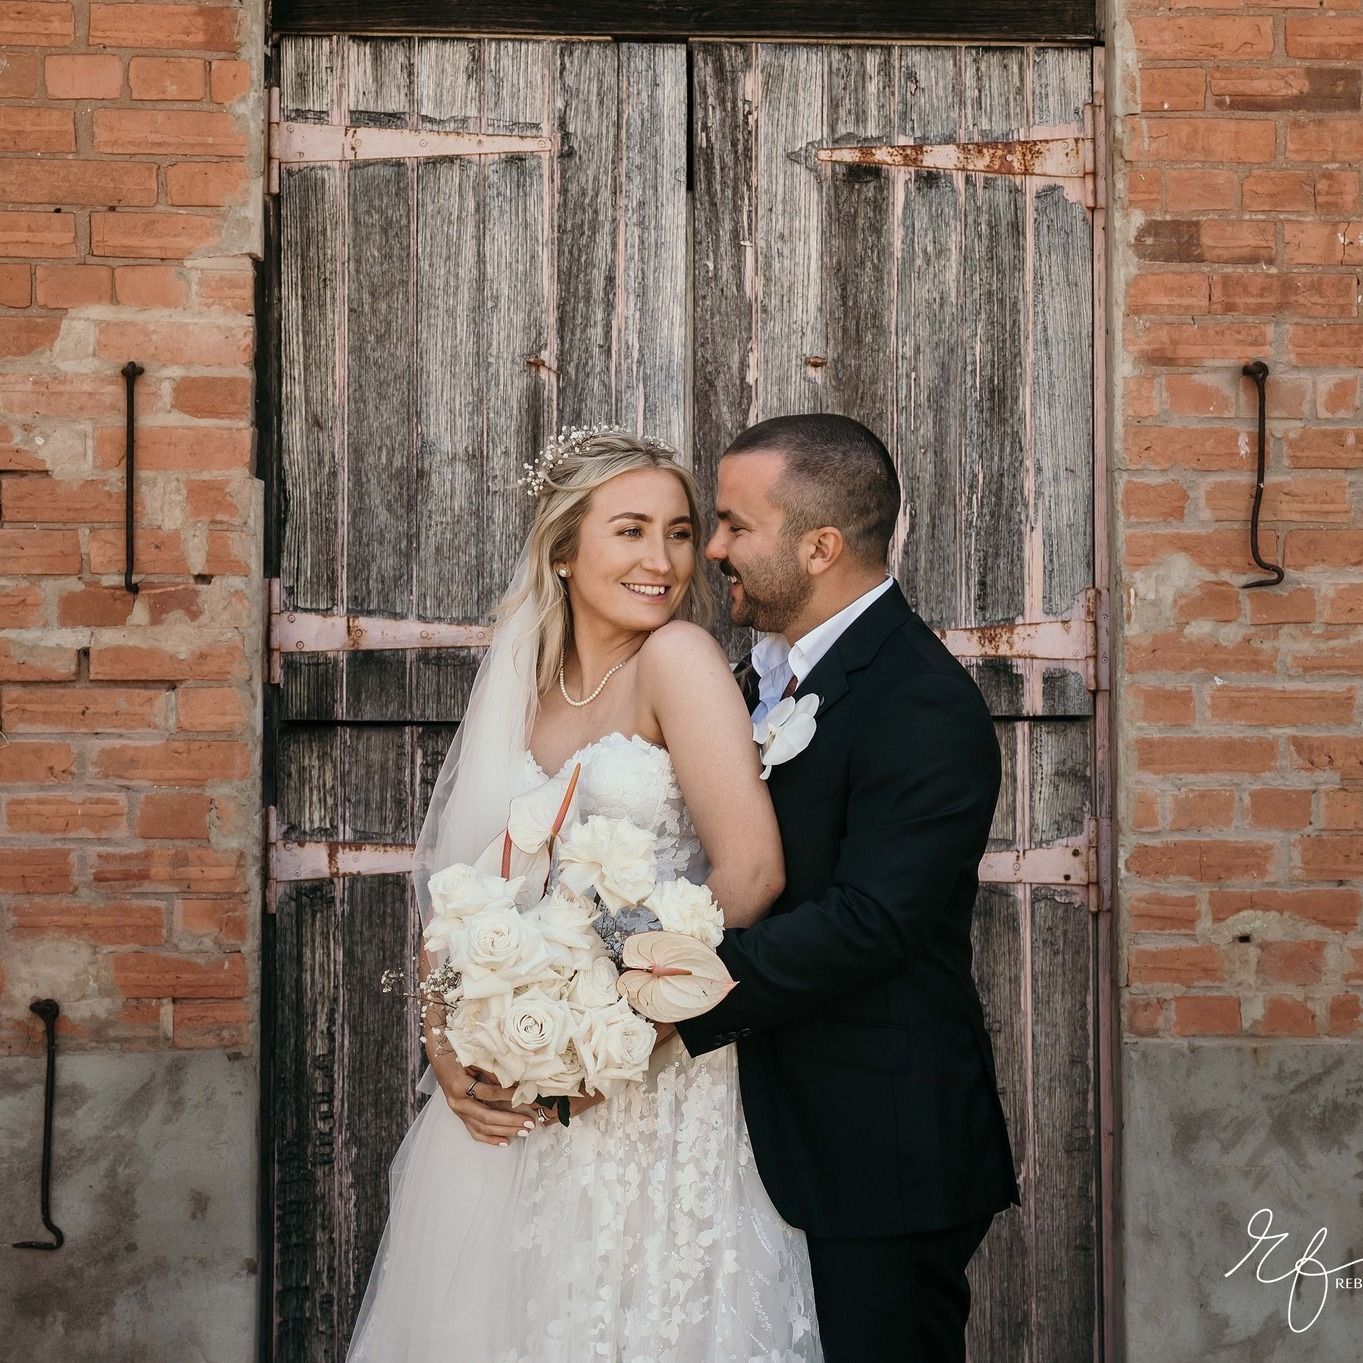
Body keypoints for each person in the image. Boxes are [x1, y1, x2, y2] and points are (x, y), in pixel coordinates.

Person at [345, 429, 822, 1362]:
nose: (663, 561)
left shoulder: (675, 659)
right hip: (526, 1089)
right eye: (631, 531)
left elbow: (752, 874)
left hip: (653, 1084)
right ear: (563, 549)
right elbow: (462, 896)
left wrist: (612, 1035)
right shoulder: (523, 691)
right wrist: (446, 1049)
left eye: (680, 533)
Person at [673, 414, 1022, 1363]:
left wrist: (664, 992)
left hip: (880, 1150)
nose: (712, 549)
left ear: (819, 545)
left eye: (735, 526)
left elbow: (871, 923)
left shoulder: (919, 699)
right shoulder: (767, 678)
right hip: (777, 1134)